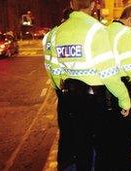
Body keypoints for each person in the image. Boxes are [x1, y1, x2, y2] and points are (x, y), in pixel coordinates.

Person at [45, 0, 131, 170]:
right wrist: (124, 99)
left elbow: (53, 70)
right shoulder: (97, 30)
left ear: (71, 4)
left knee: (81, 147)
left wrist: (62, 92)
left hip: (71, 99)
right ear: (92, 5)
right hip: (96, 102)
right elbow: (108, 73)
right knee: (102, 149)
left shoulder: (56, 33)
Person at [107, 5, 131, 171]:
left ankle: (115, 163)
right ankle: (125, 164)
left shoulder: (107, 30)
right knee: (127, 131)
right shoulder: (126, 34)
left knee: (113, 130)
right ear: (130, 19)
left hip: (108, 87)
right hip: (125, 86)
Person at [43, 7, 77, 170]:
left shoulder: (51, 35)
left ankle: (64, 160)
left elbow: (50, 64)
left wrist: (59, 87)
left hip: (61, 88)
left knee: (65, 126)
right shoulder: (72, 33)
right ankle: (74, 159)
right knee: (77, 126)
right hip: (74, 89)